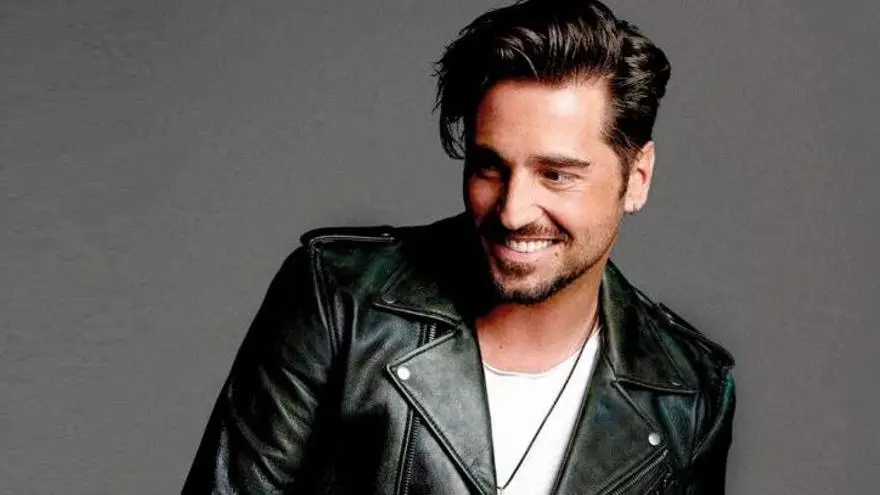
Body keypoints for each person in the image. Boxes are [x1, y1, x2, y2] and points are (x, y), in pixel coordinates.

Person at [183, 0, 736, 493]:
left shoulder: (690, 392)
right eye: (489, 167)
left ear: (637, 178)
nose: (513, 211)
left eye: (556, 175)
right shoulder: (339, 300)